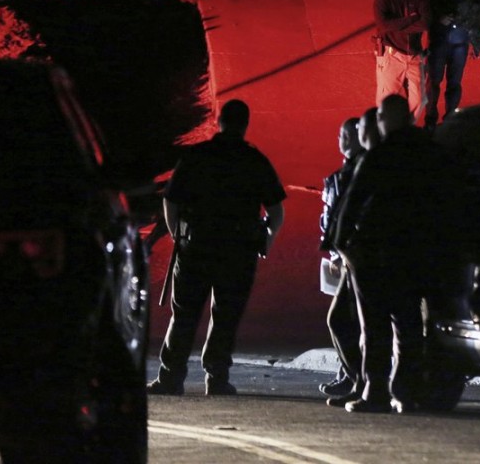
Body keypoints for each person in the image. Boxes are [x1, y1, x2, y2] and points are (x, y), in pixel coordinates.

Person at [147, 99, 286, 396]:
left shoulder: (197, 156)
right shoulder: (254, 160)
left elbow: (170, 200)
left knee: (183, 314)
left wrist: (178, 234)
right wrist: (266, 242)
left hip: (196, 246)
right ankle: (217, 378)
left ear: (219, 121)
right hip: (238, 251)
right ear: (245, 125)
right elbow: (276, 213)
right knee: (226, 315)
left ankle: (171, 378)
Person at [333, 94, 448, 414]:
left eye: (381, 116)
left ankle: (376, 391)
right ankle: (406, 390)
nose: (378, 123)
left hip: (376, 251)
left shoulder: (381, 154)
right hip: (417, 251)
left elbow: (353, 203)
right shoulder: (431, 151)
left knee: (375, 325)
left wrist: (343, 244)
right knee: (409, 323)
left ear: (391, 118)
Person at [317, 117, 365, 399]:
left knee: (345, 320)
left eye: (345, 135)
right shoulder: (341, 173)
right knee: (347, 320)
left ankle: (358, 379)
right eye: (340, 135)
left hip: (355, 258)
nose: (341, 140)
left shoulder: (360, 171)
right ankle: (350, 376)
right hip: (344, 256)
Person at [423, 0, 480, 130]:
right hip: (440, 37)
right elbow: (426, 6)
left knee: (454, 82)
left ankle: (449, 118)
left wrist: (479, 38)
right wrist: (437, 19)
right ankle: (431, 118)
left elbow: (478, 8)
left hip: (459, 38)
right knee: (434, 80)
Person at [373, 0, 430, 124]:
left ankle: (404, 129)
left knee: (420, 100)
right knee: (387, 101)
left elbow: (425, 23)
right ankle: (387, 135)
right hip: (392, 55)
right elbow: (383, 25)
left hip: (414, 55)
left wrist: (397, 25)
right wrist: (411, 19)